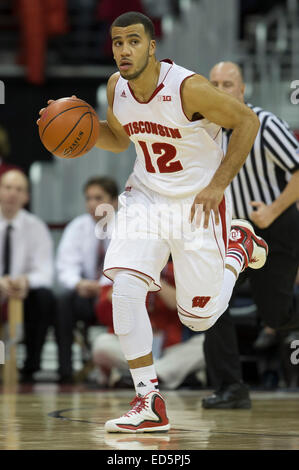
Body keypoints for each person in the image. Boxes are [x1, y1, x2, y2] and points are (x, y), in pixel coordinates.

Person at [38, 12, 268, 433]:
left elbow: (247, 122)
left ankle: (238, 247)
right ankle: (149, 399)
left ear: (152, 46)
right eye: (117, 43)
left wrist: (218, 185)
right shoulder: (115, 87)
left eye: (133, 41)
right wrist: (81, 131)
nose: (123, 50)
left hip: (198, 202)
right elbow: (121, 138)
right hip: (145, 197)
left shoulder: (189, 88)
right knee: (124, 287)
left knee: (199, 318)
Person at [202, 61, 299, 409]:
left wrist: (272, 210)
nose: (220, 89)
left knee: (276, 315)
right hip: (233, 233)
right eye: (213, 83)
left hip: (274, 226)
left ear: (242, 90)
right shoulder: (204, 132)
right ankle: (231, 387)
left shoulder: (266, 124)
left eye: (228, 83)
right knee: (211, 301)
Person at [92, 260, 206, 390]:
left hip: (168, 348)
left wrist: (155, 280)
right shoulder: (119, 270)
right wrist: (130, 278)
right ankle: (162, 375)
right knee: (101, 344)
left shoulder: (176, 269)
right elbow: (102, 313)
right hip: (132, 347)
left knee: (205, 344)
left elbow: (183, 306)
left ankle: (144, 376)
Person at [55, 176, 118, 383]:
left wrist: (101, 286)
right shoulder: (78, 226)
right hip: (87, 295)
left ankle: (117, 370)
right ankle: (65, 371)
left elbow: (126, 268)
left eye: (98, 198)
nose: (92, 204)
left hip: (113, 295)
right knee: (63, 302)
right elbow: (65, 265)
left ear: (114, 201)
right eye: (88, 198)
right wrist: (78, 283)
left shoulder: (126, 227)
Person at [0, 170, 54, 382]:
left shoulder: (36, 227)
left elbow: (46, 273)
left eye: (19, 189)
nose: (13, 194)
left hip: (23, 294)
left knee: (44, 298)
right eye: (8, 188)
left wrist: (25, 281)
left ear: (26, 197)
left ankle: (30, 366)